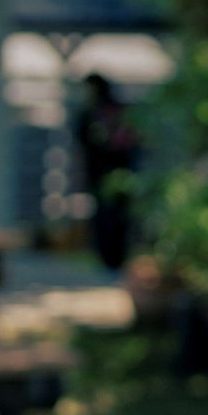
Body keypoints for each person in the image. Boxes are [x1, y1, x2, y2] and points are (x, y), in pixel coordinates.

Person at [74, 72, 142, 270]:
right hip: (108, 174)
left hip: (113, 174)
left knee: (112, 217)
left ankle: (113, 258)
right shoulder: (100, 111)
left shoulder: (103, 111)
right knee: (110, 218)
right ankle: (111, 258)